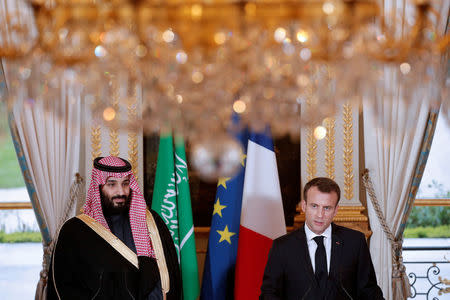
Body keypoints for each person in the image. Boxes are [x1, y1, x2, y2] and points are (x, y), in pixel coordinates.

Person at [47, 156, 181, 300]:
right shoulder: (75, 231)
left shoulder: (153, 222)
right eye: (111, 184)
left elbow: (172, 274)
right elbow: (64, 288)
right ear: (98, 187)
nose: (121, 192)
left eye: (125, 184)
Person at [260, 177, 384, 300]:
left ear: (336, 210)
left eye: (327, 208)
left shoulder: (355, 242)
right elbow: (269, 294)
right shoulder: (282, 247)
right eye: (314, 206)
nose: (320, 215)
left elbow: (369, 291)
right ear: (304, 206)